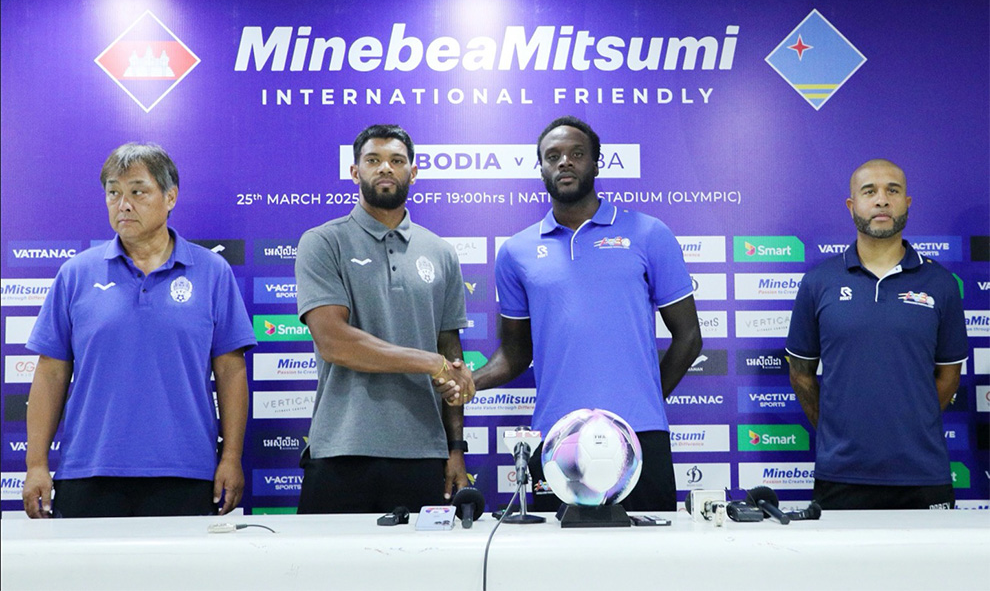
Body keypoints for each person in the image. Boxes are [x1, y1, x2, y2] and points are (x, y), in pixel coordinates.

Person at [473, 116, 702, 511]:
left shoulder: (649, 233)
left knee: (654, 550)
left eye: (577, 154)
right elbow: (515, 352)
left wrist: (647, 399)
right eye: (553, 156)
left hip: (638, 435)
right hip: (556, 439)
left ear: (597, 163)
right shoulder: (515, 252)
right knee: (557, 552)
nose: (564, 162)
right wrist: (469, 381)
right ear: (541, 168)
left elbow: (689, 336)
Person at [22, 143, 255, 518]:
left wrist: (231, 457)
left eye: (137, 191)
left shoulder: (212, 272)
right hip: (89, 471)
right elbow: (50, 373)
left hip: (187, 473)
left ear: (170, 197)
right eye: (113, 192)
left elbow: (231, 371)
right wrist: (36, 464)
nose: (123, 204)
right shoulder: (76, 274)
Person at [294, 124, 475, 514]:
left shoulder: (441, 252)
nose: (385, 168)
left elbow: (451, 355)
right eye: (373, 160)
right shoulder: (323, 242)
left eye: (397, 160)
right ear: (354, 172)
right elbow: (334, 342)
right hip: (342, 448)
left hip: (423, 450)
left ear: (414, 172)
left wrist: (456, 448)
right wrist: (430, 362)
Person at [786, 159, 968, 510]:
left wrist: (913, 426)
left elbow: (949, 376)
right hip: (841, 474)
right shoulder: (819, 282)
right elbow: (801, 374)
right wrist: (837, 433)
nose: (882, 200)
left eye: (892, 191)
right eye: (869, 191)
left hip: (923, 474)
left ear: (907, 203)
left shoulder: (941, 283)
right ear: (851, 205)